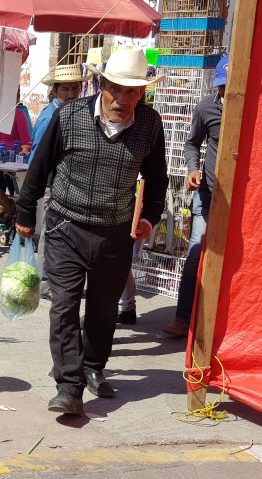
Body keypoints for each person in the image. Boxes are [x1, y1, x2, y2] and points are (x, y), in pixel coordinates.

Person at [14, 48, 168, 416]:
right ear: (102, 85)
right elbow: (41, 165)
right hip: (67, 224)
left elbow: (158, 179)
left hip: (116, 233)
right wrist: (25, 211)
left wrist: (149, 217)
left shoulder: (150, 124)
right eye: (117, 90)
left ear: (142, 94)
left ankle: (93, 367)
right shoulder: (70, 116)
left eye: (133, 92)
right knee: (64, 306)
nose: (124, 100)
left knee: (102, 310)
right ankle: (69, 386)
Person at [163, 55, 228, 338]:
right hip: (208, 194)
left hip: (239, 201)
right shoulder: (206, 107)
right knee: (195, 255)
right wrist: (191, 169)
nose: (226, 92)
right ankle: (183, 317)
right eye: (222, 87)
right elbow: (192, 144)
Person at [30, 65, 90, 300]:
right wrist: (44, 188)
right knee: (48, 233)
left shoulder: (71, 112)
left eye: (76, 87)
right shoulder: (50, 117)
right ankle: (46, 284)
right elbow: (38, 157)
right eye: (66, 88)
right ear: (55, 90)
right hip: (50, 185)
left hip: (65, 184)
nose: (72, 93)